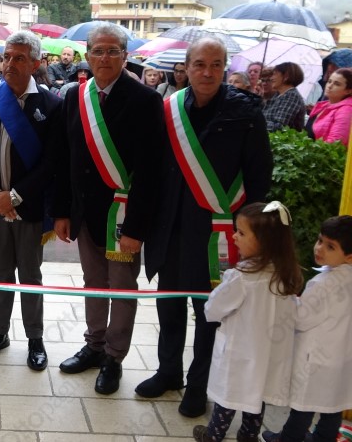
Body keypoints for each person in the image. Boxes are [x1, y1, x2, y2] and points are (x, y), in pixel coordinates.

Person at [138, 37, 273, 417]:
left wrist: (251, 231)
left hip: (217, 230)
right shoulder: (170, 108)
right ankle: (168, 372)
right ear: (186, 67)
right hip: (170, 226)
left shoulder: (245, 110)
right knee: (169, 304)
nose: (208, 72)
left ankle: (199, 385)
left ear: (225, 68)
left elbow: (259, 174)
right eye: (200, 64)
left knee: (209, 311)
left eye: (216, 65)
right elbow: (152, 168)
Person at [53, 23, 165, 395]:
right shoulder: (75, 96)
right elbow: (65, 157)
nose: (104, 58)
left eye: (112, 50)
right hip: (86, 213)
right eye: (98, 51)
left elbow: (151, 171)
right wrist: (62, 211)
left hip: (122, 217)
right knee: (93, 282)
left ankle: (114, 357)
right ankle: (94, 344)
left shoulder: (146, 100)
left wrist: (136, 228)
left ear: (125, 56)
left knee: (122, 287)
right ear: (87, 56)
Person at [0, 30, 62, 372]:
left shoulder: (51, 105)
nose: (10, 64)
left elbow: (52, 161)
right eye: (7, 57)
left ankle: (35, 338)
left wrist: (16, 196)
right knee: (1, 271)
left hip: (29, 207)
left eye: (19, 58)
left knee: (31, 274)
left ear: (35, 63)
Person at [192, 201, 302, 442]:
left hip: (241, 351)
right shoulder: (286, 276)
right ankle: (249, 434)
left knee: (229, 394)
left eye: (241, 233)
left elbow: (213, 308)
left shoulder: (241, 278)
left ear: (264, 241)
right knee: (257, 394)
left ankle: (213, 434)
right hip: (269, 353)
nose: (233, 236)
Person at [262, 215, 352, 442]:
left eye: (330, 246)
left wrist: (290, 299)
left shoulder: (322, 285)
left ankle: (288, 439)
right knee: (332, 404)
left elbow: (301, 319)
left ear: (349, 256)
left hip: (315, 359)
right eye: (320, 240)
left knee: (303, 405)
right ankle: (323, 438)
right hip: (341, 359)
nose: (319, 248)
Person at [307, 67, 352, 146]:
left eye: (337, 84)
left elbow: (335, 144)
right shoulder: (324, 105)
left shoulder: (346, 110)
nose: (330, 86)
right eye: (329, 81)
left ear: (348, 91)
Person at [263, 62, 306, 131]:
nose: (271, 78)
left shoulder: (291, 96)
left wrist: (255, 123)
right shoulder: (278, 95)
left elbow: (280, 126)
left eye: (274, 74)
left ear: (286, 76)